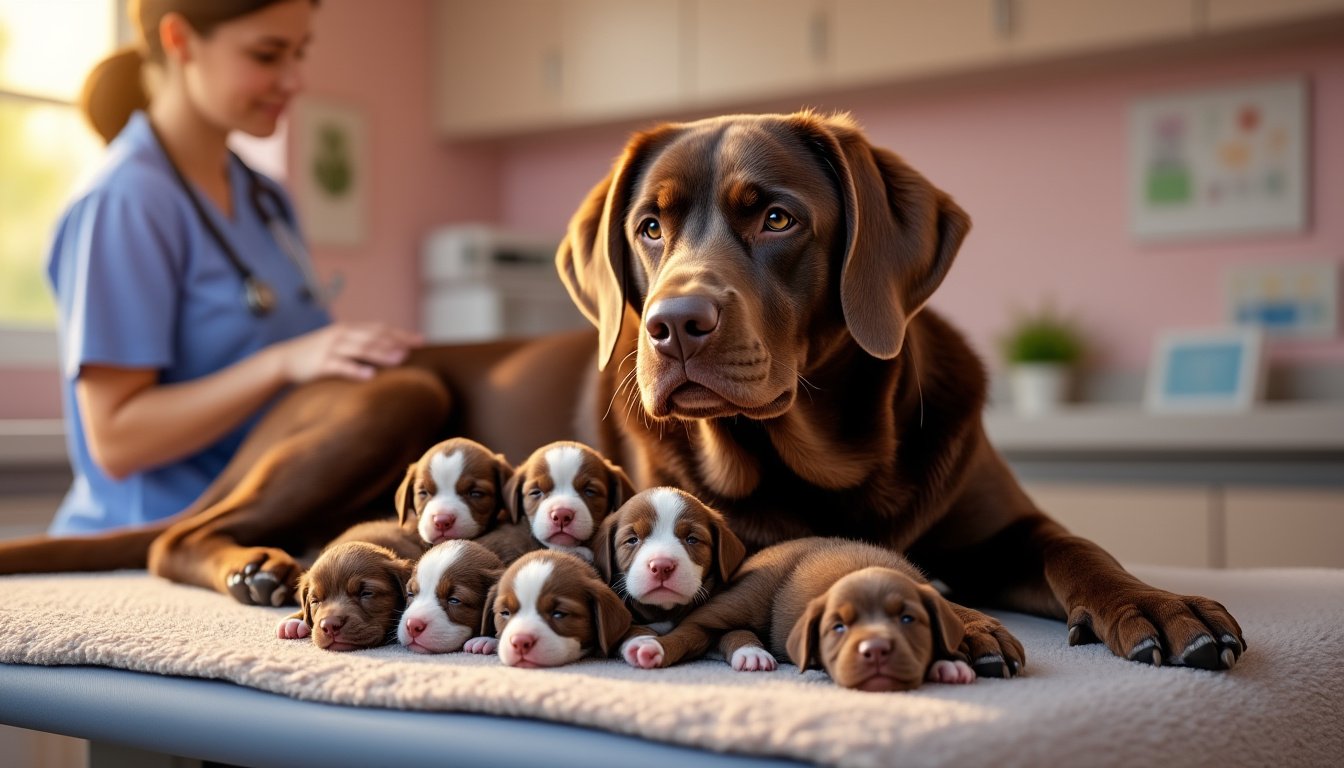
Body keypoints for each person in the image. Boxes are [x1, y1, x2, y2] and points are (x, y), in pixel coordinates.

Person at [47, 0, 420, 535]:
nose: (294, 80)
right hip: (146, 544)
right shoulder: (124, 202)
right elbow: (117, 440)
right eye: (267, 55)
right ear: (180, 41)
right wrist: (282, 362)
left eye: (299, 52)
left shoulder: (266, 199)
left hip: (262, 522)